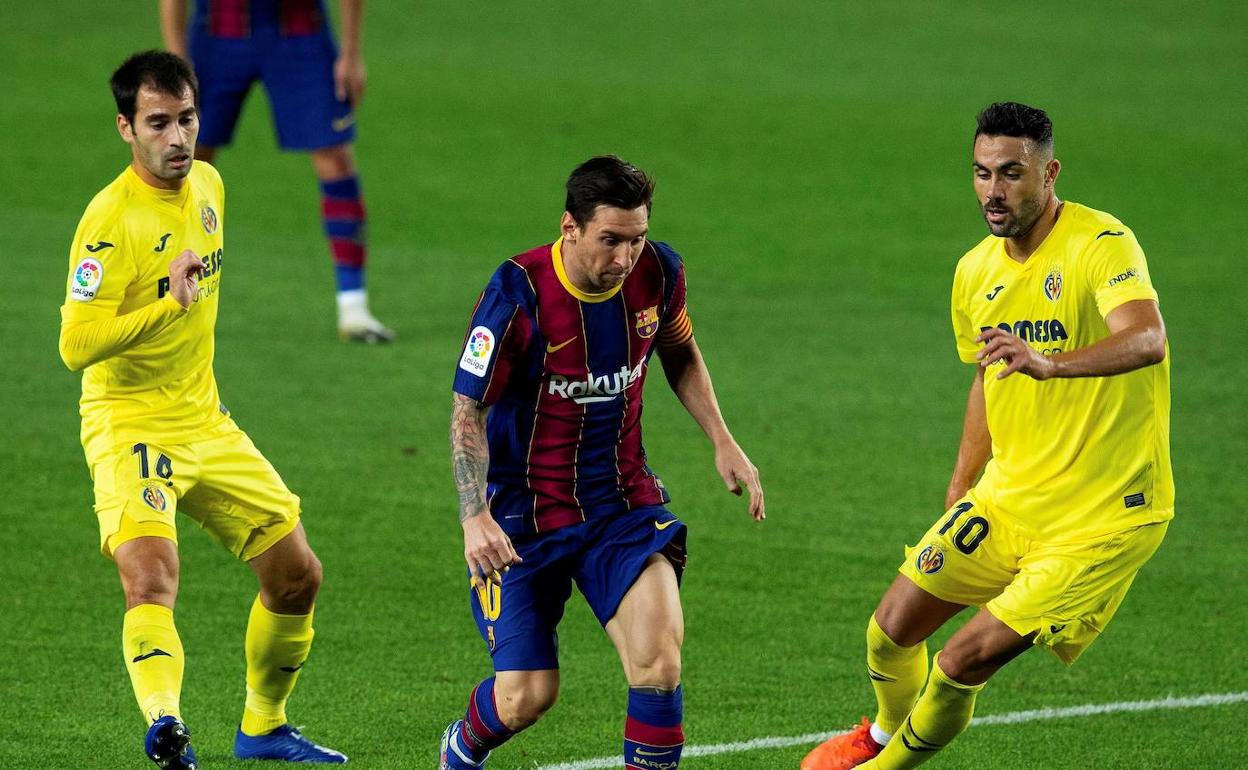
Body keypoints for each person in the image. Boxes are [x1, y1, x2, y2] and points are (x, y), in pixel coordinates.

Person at [801, 102, 1173, 770]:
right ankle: (884, 734)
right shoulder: (976, 271)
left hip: (1102, 515)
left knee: (958, 660)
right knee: (889, 631)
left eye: (1011, 173)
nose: (993, 192)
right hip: (1010, 497)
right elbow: (987, 380)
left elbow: (1147, 339)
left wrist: (1052, 363)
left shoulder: (1100, 244)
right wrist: (960, 484)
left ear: (1049, 172)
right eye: (981, 174)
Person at [59, 51, 347, 767]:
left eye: (186, 118)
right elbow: (74, 344)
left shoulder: (211, 185)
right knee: (150, 575)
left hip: (205, 420)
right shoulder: (109, 221)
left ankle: (264, 727)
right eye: (158, 123)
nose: (178, 138)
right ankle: (165, 724)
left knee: (297, 574)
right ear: (126, 128)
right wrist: (162, 303)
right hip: (128, 422)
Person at [439, 156, 765, 770]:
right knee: (526, 697)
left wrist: (722, 438)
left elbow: (680, 350)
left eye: (636, 239)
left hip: (621, 503)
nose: (624, 258)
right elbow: (467, 411)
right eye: (609, 240)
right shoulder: (517, 295)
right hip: (521, 519)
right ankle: (460, 748)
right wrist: (472, 514)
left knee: (659, 664)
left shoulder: (659, 273)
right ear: (570, 228)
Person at [160, 0, 394, 343]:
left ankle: (354, 309)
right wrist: (176, 56)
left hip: (299, 30)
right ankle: (167, 301)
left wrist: (352, 50)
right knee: (187, 162)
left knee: (335, 158)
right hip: (218, 30)